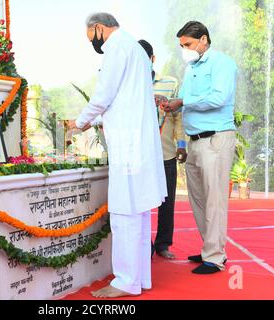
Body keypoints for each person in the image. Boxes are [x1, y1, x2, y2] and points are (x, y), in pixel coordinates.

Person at [66, 12, 167, 298]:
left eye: (91, 38)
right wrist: (96, 122)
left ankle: (124, 281)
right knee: (138, 213)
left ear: (99, 28)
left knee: (124, 213)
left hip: (129, 146)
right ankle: (138, 280)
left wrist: (79, 122)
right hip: (137, 141)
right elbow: (124, 102)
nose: (93, 45)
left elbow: (103, 96)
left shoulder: (115, 47)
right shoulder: (134, 48)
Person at [164, 21, 237, 274]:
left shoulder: (222, 63)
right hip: (195, 142)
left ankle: (215, 257)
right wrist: (171, 103)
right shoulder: (191, 67)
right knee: (199, 200)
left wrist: (183, 100)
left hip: (215, 139)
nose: (185, 49)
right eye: (182, 45)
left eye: (188, 44)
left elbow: (219, 97)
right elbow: (184, 103)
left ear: (204, 40)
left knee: (215, 199)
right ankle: (211, 247)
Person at [138, 39, 187, 260]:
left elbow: (178, 117)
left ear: (152, 59)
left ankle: (163, 244)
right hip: (139, 154)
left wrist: (182, 144)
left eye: (144, 60)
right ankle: (144, 245)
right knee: (140, 202)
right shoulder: (129, 84)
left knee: (167, 203)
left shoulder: (170, 83)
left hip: (166, 151)